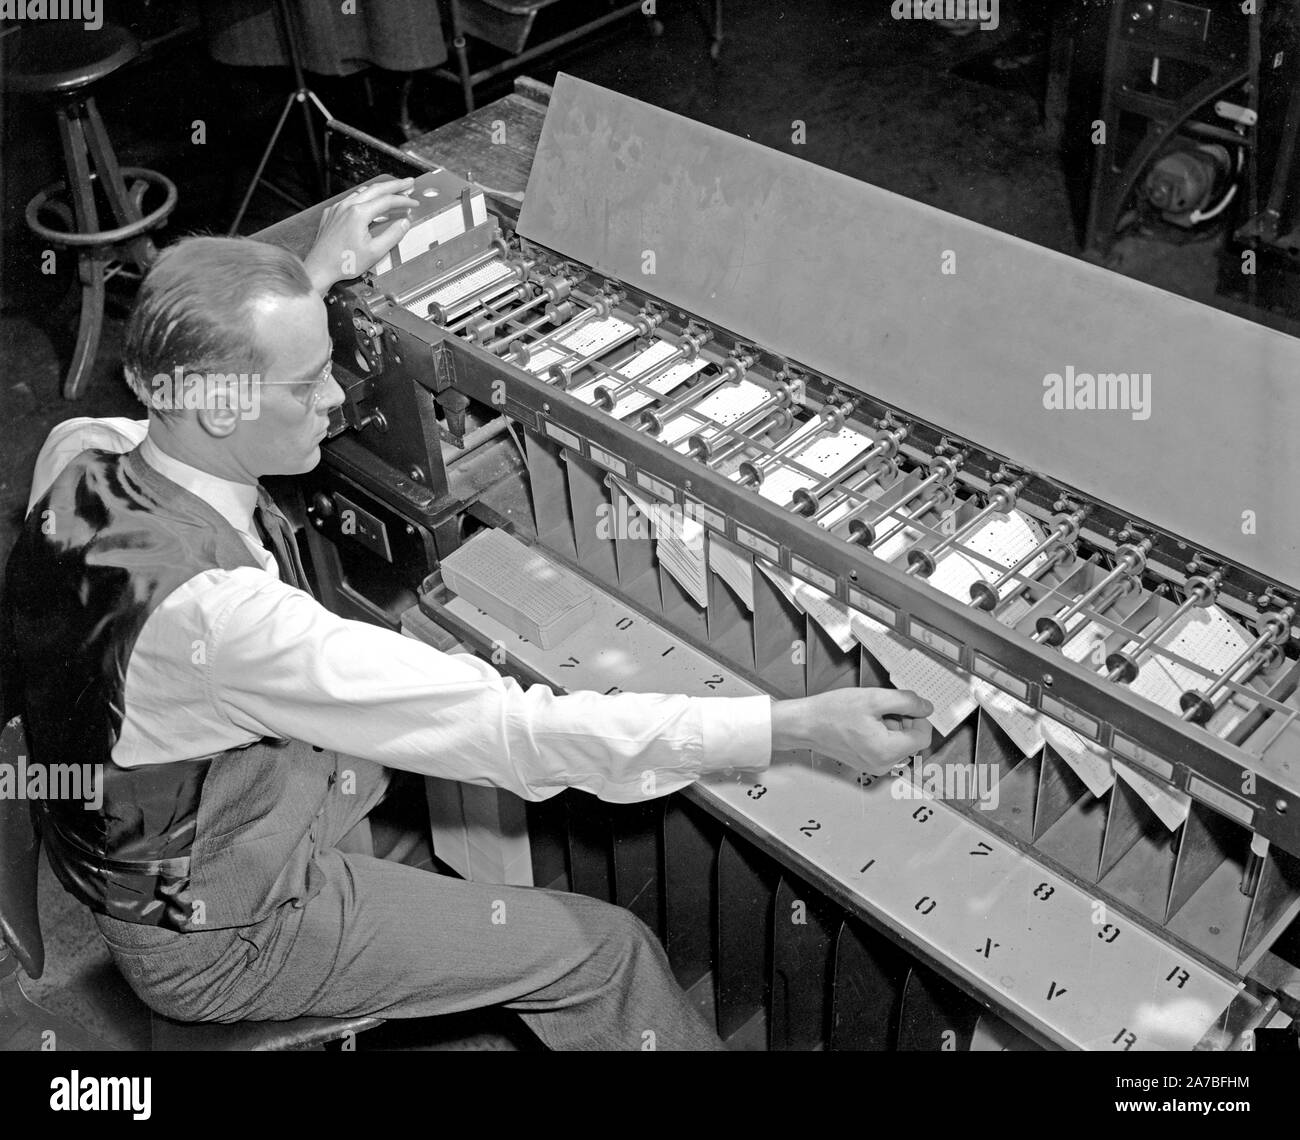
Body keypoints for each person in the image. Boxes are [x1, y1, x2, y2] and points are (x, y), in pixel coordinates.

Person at [2, 179, 934, 1050]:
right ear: (214, 406)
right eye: (306, 384)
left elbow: (188, 361)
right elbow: (512, 732)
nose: (335, 402)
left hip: (137, 831)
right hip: (223, 934)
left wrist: (312, 273)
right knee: (601, 950)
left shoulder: (80, 448)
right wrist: (792, 725)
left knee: (413, 777)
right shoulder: (228, 624)